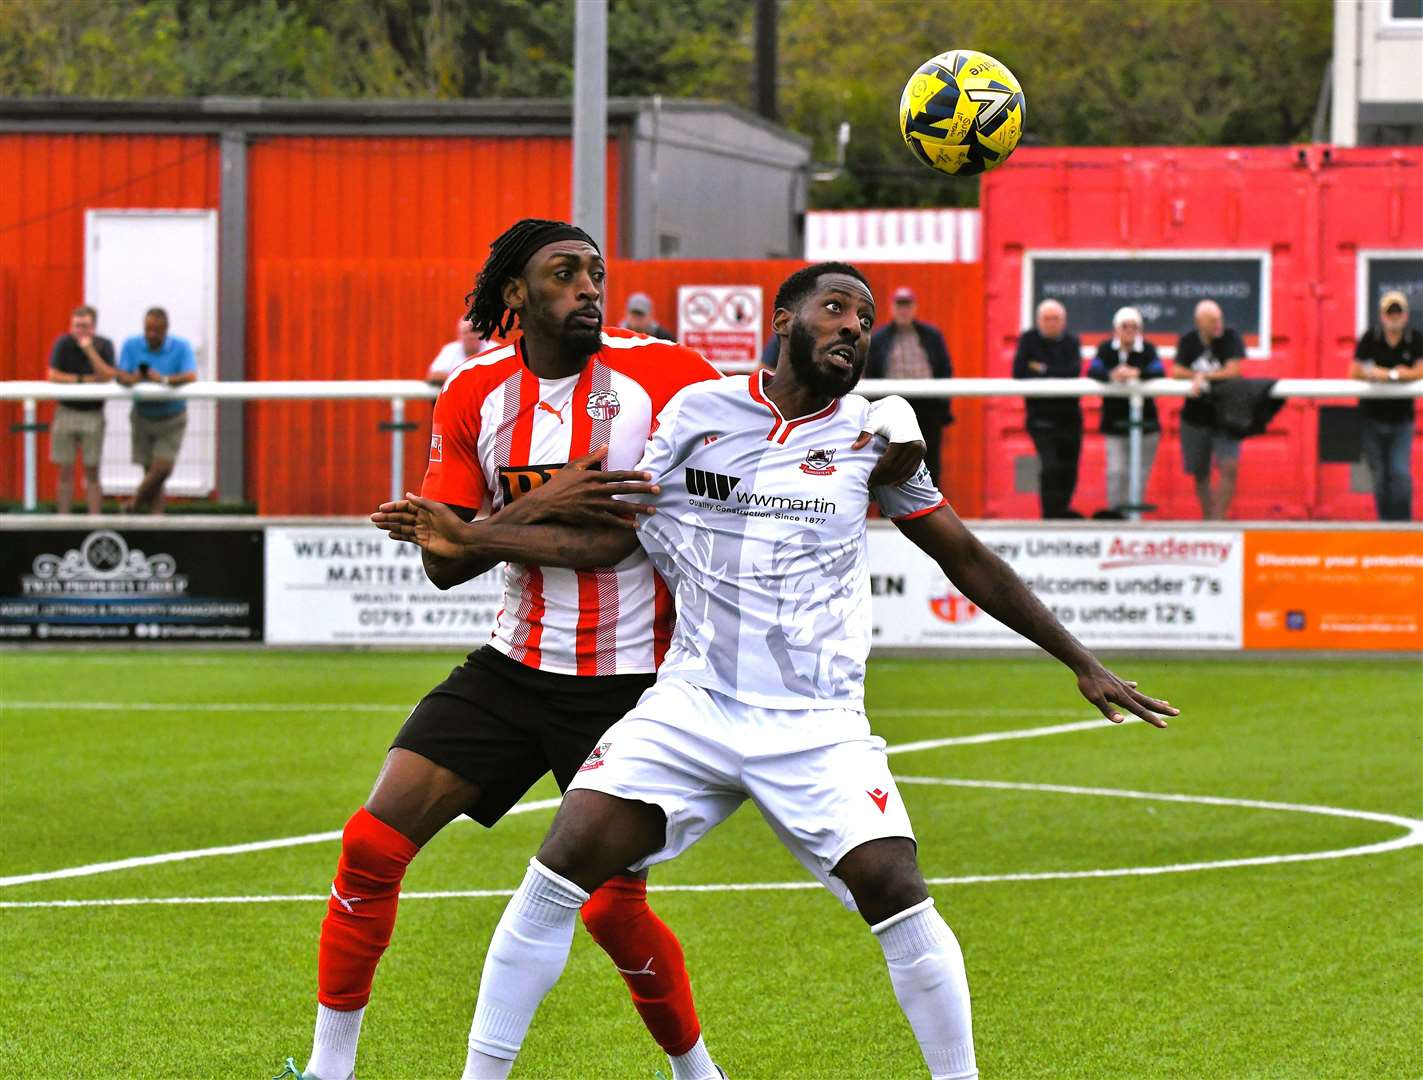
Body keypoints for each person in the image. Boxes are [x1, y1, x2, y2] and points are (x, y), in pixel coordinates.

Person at [402, 263, 1176, 1079]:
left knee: (892, 885)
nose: (851, 326)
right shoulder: (698, 414)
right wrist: (479, 538)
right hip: (692, 703)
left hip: (813, 720)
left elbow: (966, 556)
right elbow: (614, 537)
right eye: (834, 308)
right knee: (560, 866)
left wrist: (1080, 661)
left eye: (864, 319)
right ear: (783, 319)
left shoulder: (875, 440)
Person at [281, 219, 927, 1080]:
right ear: (515, 295)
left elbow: (786, 400)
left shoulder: (663, 373)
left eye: (595, 272)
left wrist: (891, 407)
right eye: (564, 274)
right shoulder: (472, 393)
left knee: (611, 913)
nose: (588, 287)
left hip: (635, 683)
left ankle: (697, 1072)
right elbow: (443, 565)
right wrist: (540, 503)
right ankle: (328, 1071)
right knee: (370, 846)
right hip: (514, 665)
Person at [867, 286, 954, 488]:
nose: (903, 310)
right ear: (892, 308)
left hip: (927, 405)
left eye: (907, 305)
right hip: (894, 407)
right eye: (899, 305)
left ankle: (930, 507)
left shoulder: (932, 336)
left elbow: (944, 369)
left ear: (914, 308)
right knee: (891, 459)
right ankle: (890, 510)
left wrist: (943, 406)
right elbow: (871, 373)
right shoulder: (879, 339)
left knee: (929, 458)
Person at [115, 308, 197, 514]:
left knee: (162, 468)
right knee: (151, 473)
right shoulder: (131, 345)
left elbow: (190, 375)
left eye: (156, 331)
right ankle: (156, 520)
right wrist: (135, 379)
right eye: (148, 330)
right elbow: (120, 375)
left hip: (172, 417)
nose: (151, 335)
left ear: (166, 330)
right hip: (142, 416)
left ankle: (133, 504)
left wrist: (163, 380)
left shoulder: (182, 347)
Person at [1088, 306, 1165, 518]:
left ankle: (1133, 519)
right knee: (1116, 472)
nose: (1130, 330)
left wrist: (1136, 373)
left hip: (1146, 425)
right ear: (1116, 328)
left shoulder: (1147, 349)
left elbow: (1158, 370)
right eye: (1125, 326)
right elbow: (1093, 369)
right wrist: (1113, 375)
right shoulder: (1106, 349)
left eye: (1134, 326)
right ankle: (1116, 516)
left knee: (1139, 474)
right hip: (1114, 423)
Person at [1353, 290, 1423, 521]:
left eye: (1398, 311)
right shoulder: (1370, 338)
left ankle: (1402, 527)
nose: (1394, 316)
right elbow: (1355, 371)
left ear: (1405, 314)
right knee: (1380, 476)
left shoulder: (1415, 338)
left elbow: (1420, 371)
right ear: (1382, 315)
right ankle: (1385, 526)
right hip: (1371, 417)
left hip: (1402, 419)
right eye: (1389, 312)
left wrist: (1387, 374)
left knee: (1400, 473)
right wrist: (1398, 374)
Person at [1172, 300, 1245, 520]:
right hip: (1196, 416)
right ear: (1199, 322)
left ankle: (1218, 519)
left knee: (1229, 466)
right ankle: (1208, 519)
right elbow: (1176, 371)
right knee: (1199, 471)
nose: (1217, 324)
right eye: (1212, 321)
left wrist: (1204, 377)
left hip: (1227, 414)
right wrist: (1196, 377)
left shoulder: (1230, 337)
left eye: (1219, 319)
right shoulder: (1188, 341)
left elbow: (1234, 371)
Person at [1013, 299, 1083, 518]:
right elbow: (1019, 371)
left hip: (1070, 417)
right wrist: (1053, 370)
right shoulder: (1028, 340)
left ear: (1064, 321)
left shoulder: (1072, 341)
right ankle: (1050, 517)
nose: (1052, 323)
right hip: (1040, 418)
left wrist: (1041, 368)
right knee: (1050, 466)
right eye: (1047, 319)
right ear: (1038, 321)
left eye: (1056, 319)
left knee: (1069, 469)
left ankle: (1061, 512)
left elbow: (1073, 370)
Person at [46, 305, 118, 514]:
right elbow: (53, 375)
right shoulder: (63, 343)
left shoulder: (105, 345)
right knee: (64, 470)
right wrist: (82, 380)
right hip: (66, 411)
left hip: (93, 414)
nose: (80, 331)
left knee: (92, 470)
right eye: (76, 326)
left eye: (85, 326)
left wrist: (89, 350)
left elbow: (107, 376)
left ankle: (94, 519)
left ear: (93, 327)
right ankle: (63, 520)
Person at [426, 317, 493, 386]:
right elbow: (434, 376)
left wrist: (455, 377)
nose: (471, 336)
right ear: (459, 335)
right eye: (466, 332)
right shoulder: (450, 349)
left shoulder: (494, 350)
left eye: (475, 331)